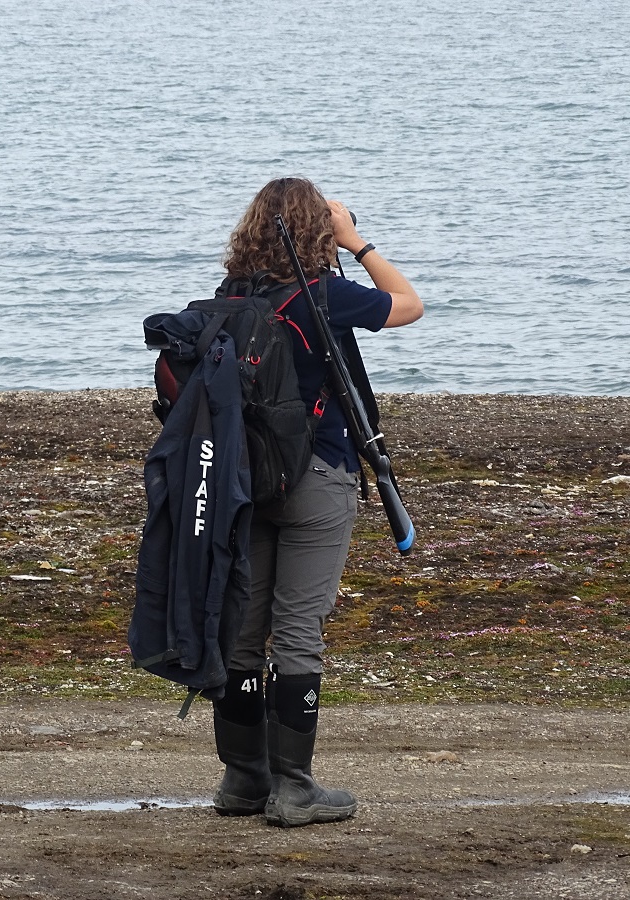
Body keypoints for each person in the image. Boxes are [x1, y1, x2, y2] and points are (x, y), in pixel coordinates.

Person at [210, 177, 422, 827]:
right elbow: (407, 303)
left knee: (244, 631)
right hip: (316, 477)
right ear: (315, 231)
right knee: (298, 630)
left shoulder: (230, 298)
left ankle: (243, 781)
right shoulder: (321, 294)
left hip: (245, 481)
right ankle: (294, 789)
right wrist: (355, 241)